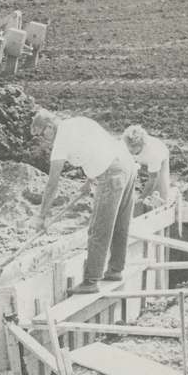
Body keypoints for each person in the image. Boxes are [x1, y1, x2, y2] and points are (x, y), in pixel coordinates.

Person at [30, 109, 137, 295]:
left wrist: (42, 216)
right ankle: (115, 270)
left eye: (41, 134)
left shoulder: (61, 140)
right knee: (120, 223)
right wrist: (90, 179)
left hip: (112, 174)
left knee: (98, 228)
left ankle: (91, 280)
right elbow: (98, 146)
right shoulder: (78, 121)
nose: (43, 140)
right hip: (127, 164)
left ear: (49, 127)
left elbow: (52, 184)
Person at [123, 124, 171, 214]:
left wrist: (141, 199)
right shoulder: (127, 144)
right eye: (128, 148)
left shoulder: (154, 154)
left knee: (161, 195)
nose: (129, 150)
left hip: (161, 158)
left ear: (140, 146)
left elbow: (153, 179)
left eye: (131, 149)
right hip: (140, 159)